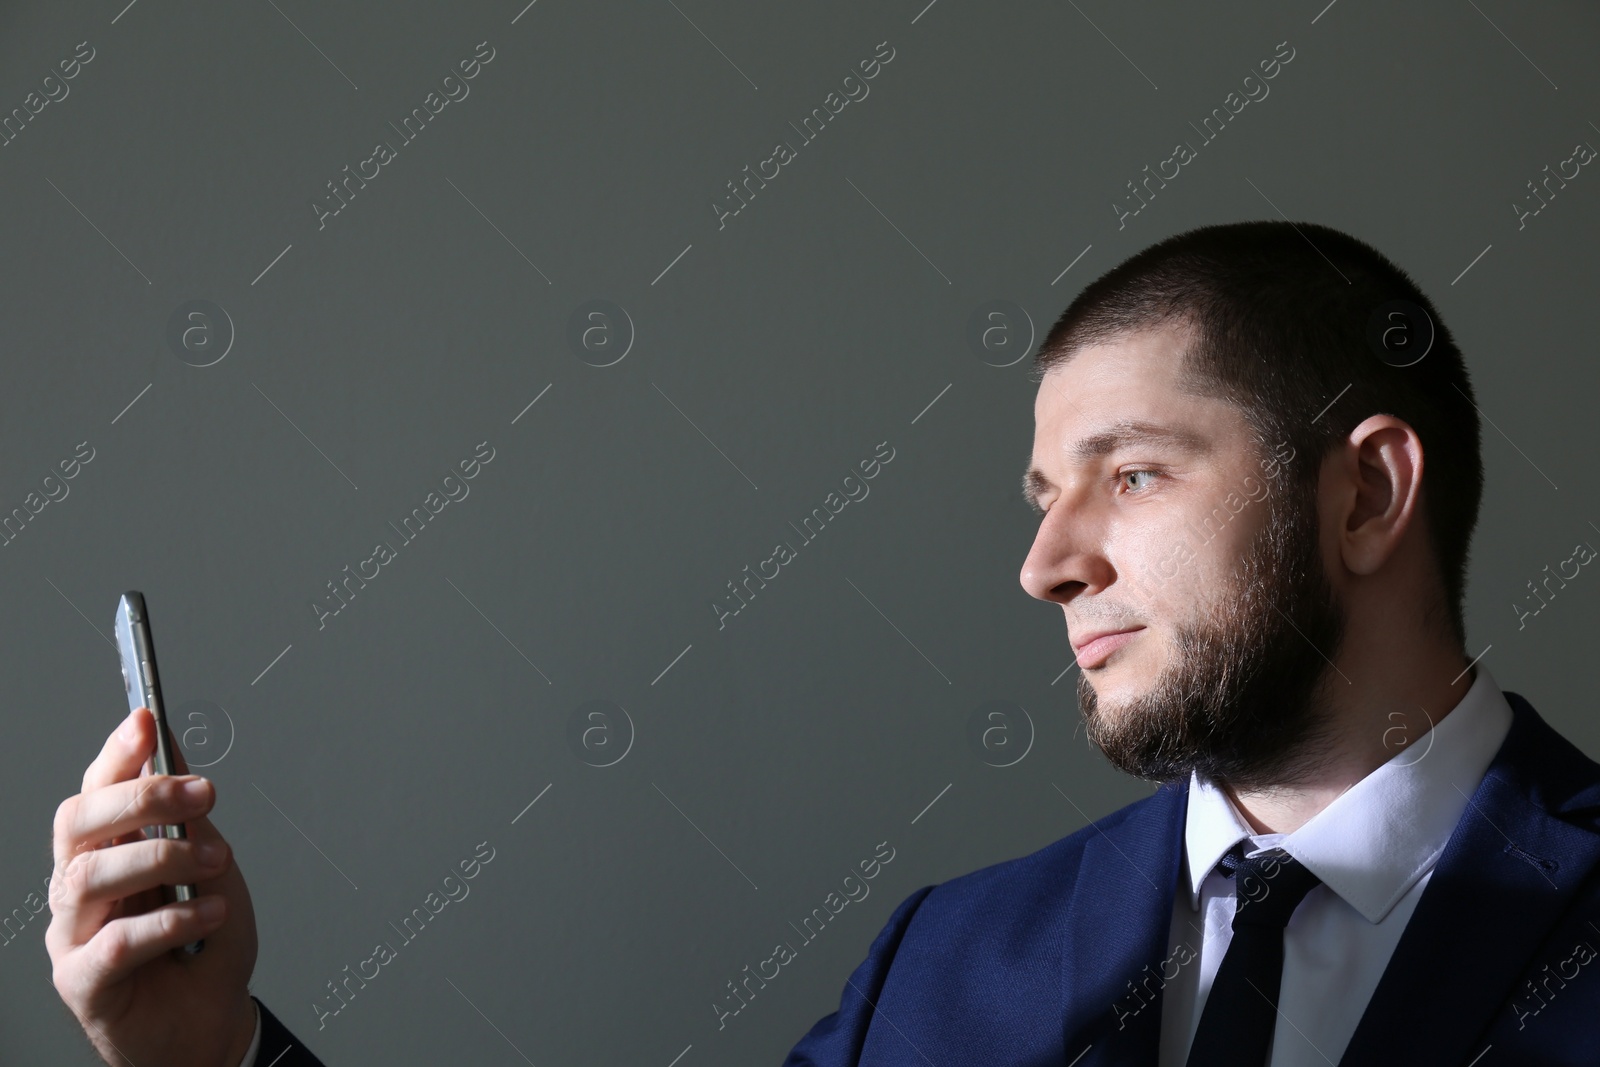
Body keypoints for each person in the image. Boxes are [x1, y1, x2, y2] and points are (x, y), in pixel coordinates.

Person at [47, 220, 1600, 1066]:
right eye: (1042, 496)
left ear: (1369, 495)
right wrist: (209, 1063)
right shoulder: (942, 968)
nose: (1047, 564)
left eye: (1131, 475)